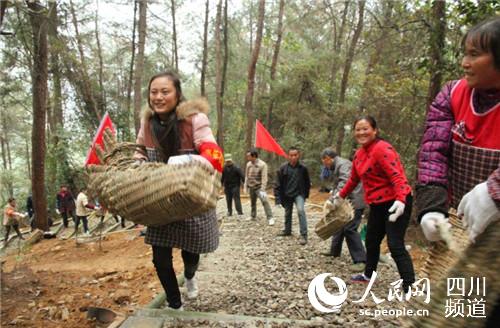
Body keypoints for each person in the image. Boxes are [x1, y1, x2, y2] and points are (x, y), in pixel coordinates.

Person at [416, 17, 500, 326]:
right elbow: (433, 153)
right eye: (464, 53)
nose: (465, 63)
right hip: (466, 237)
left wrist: (494, 192)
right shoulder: (452, 96)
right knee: (463, 312)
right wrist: (432, 207)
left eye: (475, 54)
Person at [134, 71, 223, 310]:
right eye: (154, 92)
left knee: (190, 251)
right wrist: (138, 166)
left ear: (177, 94)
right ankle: (175, 303)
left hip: (188, 194)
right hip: (160, 198)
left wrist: (188, 162)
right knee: (160, 257)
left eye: (165, 91)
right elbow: (140, 151)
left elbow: (214, 153)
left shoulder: (194, 120)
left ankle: (190, 275)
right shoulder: (147, 123)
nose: (158, 97)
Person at [336, 116, 415, 292]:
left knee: (395, 244)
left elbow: (397, 176)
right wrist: (339, 197)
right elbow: (353, 179)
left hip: (396, 202)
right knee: (372, 241)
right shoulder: (359, 154)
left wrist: (401, 199)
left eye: (366, 129)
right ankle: (368, 274)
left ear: (374, 130)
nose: (362, 132)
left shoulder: (382, 149)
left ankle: (409, 284)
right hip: (377, 204)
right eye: (358, 129)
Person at [320, 148, 366, 272]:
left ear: (328, 158)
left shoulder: (343, 164)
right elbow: (338, 184)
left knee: (350, 229)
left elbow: (345, 182)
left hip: (354, 200)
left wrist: (335, 198)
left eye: (324, 161)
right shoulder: (337, 165)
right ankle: (335, 250)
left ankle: (361, 260)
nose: (324, 164)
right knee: (339, 225)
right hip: (347, 199)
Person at [274, 147, 311, 245]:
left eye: (295, 155)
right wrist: (278, 199)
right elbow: (277, 184)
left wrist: (305, 195)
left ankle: (304, 235)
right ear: (288, 156)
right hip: (286, 195)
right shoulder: (283, 168)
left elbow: (307, 182)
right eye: (291, 155)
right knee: (287, 213)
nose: (293, 157)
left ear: (299, 155)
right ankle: (287, 230)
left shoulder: (303, 168)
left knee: (300, 210)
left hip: (299, 194)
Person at [243, 149, 275, 225]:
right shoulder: (248, 164)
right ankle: (253, 216)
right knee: (253, 202)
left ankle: (270, 218)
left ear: (254, 156)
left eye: (249, 156)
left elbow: (264, 178)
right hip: (251, 187)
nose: (247, 157)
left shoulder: (262, 165)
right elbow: (246, 176)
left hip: (259, 187)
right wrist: (245, 186)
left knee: (265, 201)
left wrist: (262, 189)